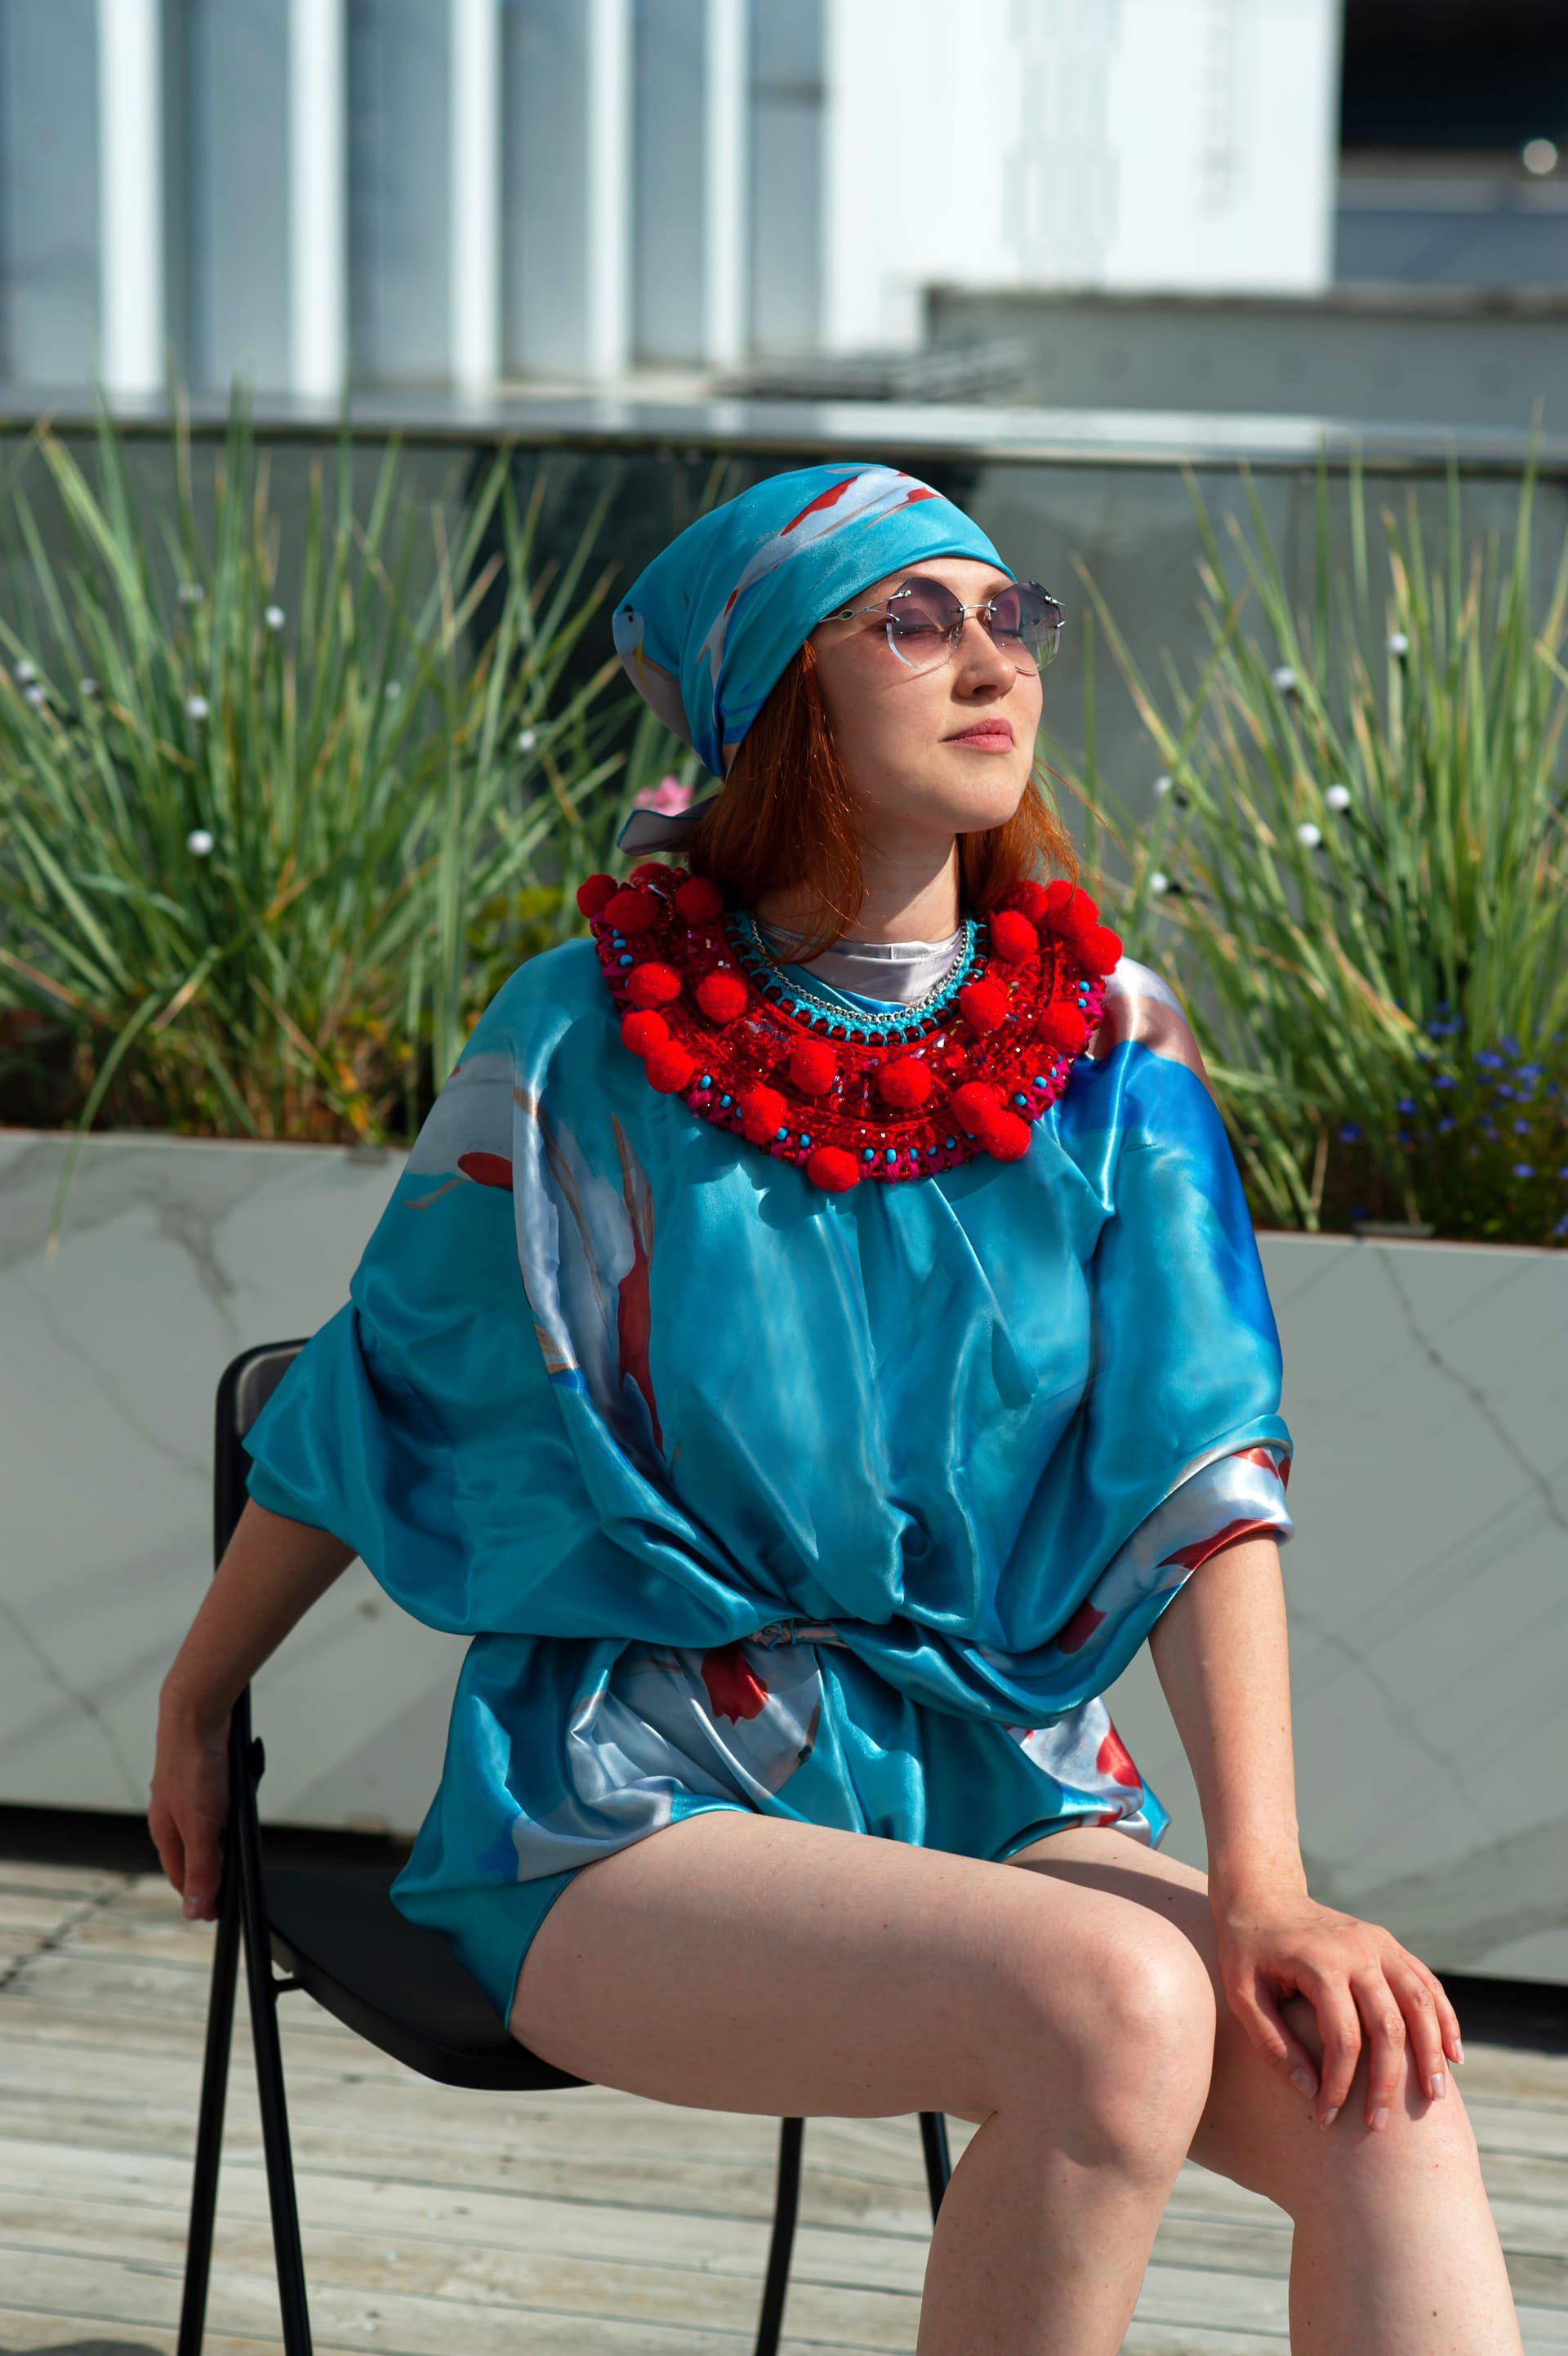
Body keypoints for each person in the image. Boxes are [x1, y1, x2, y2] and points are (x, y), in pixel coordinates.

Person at [150, 463, 1522, 2355]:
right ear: (779, 690)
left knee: (1387, 2090)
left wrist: (1270, 1891)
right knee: (1113, 2000)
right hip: (629, 1801)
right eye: (914, 620)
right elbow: (380, 1387)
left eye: (1010, 615)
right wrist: (197, 1694)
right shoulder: (583, 1041)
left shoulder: (1111, 1046)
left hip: (1006, 1783)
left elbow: (1206, 1483)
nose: (992, 661)